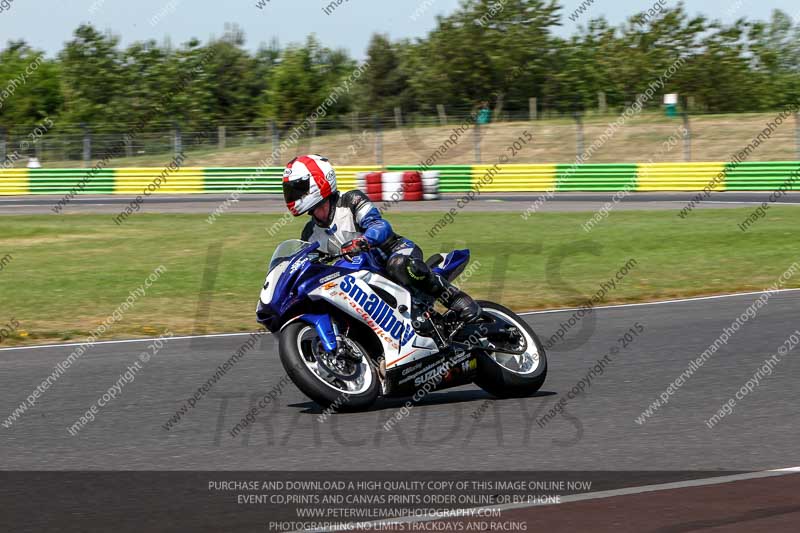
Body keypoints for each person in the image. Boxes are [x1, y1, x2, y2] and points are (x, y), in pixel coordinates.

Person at [282, 154, 481, 322]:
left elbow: (379, 225)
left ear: (320, 180)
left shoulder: (351, 200)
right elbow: (310, 266)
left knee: (398, 264)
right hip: (359, 278)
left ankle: (457, 300)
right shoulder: (309, 233)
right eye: (290, 191)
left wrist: (364, 241)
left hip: (392, 252)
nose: (293, 196)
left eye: (298, 189)